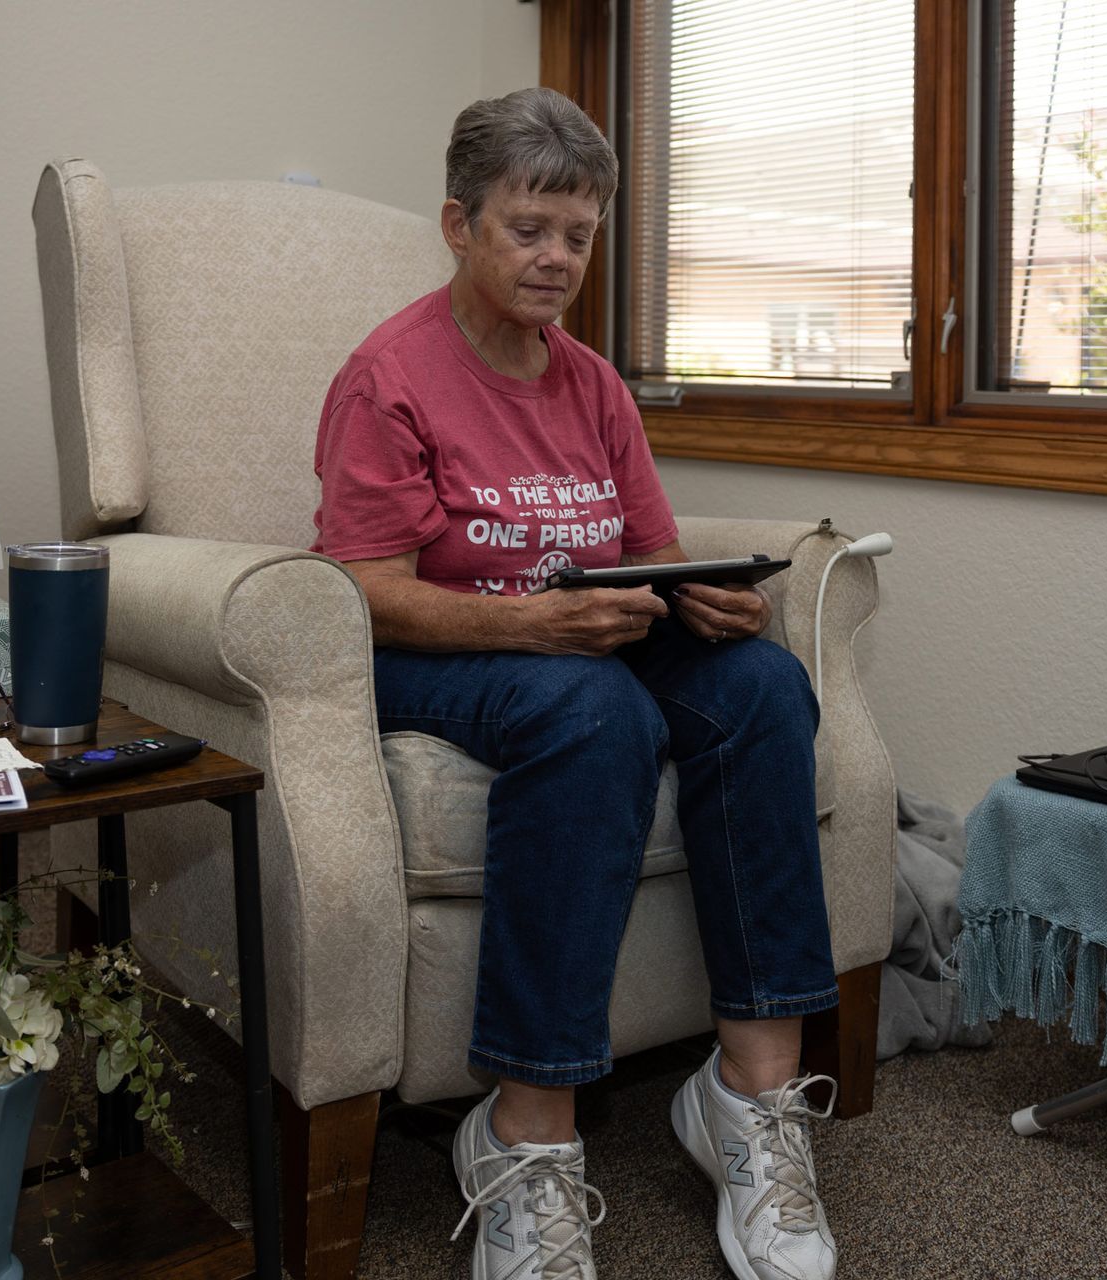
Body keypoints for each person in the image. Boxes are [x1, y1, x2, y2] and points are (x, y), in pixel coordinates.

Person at [311, 87, 840, 1280]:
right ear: (459, 224)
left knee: (760, 682)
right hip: (437, 648)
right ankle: (524, 1130)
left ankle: (750, 1096)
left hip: (579, 630)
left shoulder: (593, 384)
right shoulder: (389, 377)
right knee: (591, 712)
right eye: (528, 229)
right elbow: (362, 585)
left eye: (580, 235)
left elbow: (646, 556)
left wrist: (703, 595)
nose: (557, 259)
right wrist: (531, 623)